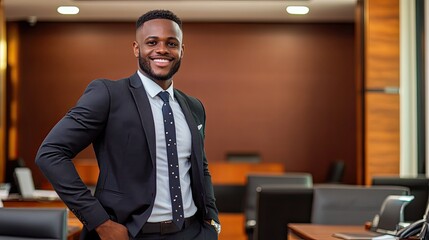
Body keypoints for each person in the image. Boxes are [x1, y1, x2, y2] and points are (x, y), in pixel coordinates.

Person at [35, 9, 220, 240]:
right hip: (129, 234)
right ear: (136, 48)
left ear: (181, 50)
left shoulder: (193, 106)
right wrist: (100, 222)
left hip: (191, 232)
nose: (162, 49)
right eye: (152, 42)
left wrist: (211, 220)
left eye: (171, 43)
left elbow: (200, 166)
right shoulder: (108, 95)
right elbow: (50, 153)